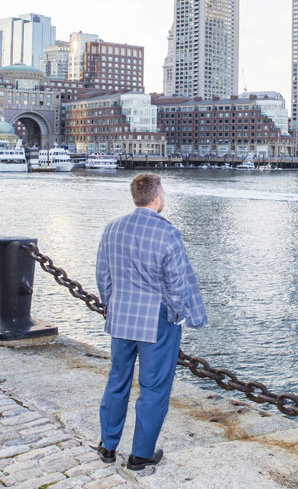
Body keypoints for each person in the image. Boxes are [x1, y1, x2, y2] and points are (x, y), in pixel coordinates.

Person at [95, 172, 207, 471]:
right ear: (157, 198)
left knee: (117, 380)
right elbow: (176, 285)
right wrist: (175, 315)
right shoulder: (167, 233)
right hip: (155, 319)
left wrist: (109, 305)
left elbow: (103, 275)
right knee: (154, 387)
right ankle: (140, 454)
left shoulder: (112, 228)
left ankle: (107, 446)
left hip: (121, 316)